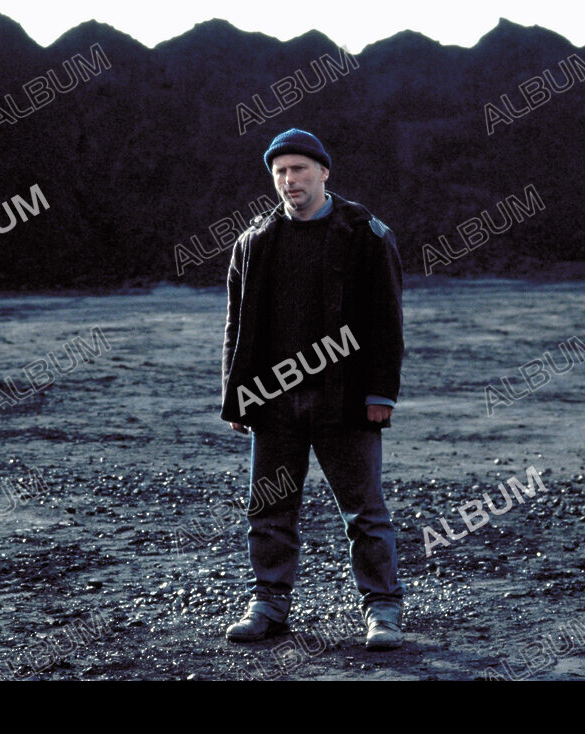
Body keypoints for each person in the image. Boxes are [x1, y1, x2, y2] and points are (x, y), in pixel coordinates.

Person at [220, 128, 405, 651]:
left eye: (299, 168)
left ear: (324, 172)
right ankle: (268, 605)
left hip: (343, 398)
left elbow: (386, 319)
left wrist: (380, 394)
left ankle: (382, 610)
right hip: (273, 399)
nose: (289, 179)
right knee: (268, 508)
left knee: (364, 511)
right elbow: (236, 326)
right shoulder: (254, 241)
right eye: (280, 172)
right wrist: (237, 397)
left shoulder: (366, 234)